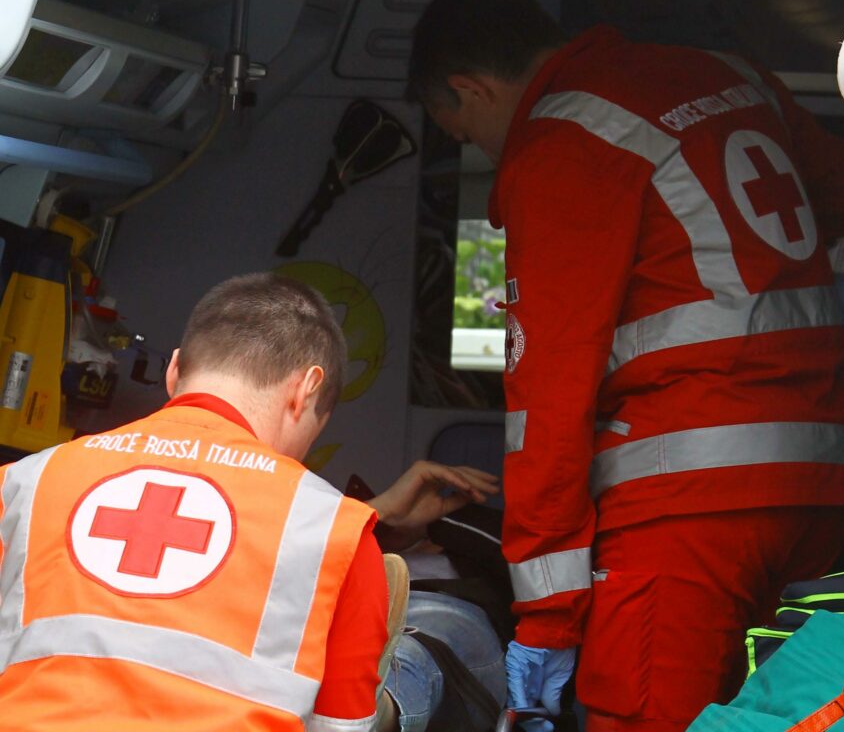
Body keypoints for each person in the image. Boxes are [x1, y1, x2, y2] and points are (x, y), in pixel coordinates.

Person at [406, 0, 844, 731]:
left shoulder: (561, 145)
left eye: (462, 132)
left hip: (685, 511)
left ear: (470, 88)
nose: (480, 150)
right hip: (818, 485)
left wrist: (548, 620)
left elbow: (546, 405)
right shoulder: (733, 77)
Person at [0, 272, 497, 731]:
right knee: (449, 642)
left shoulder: (22, 483)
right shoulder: (337, 538)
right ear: (307, 389)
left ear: (174, 371)